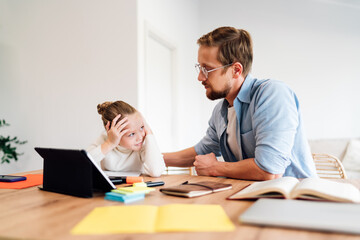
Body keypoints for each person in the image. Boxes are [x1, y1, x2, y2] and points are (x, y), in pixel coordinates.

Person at [163, 26, 317, 180]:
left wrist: (215, 167)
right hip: (250, 194)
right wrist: (149, 158)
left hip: (294, 197)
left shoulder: (272, 94)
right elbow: (202, 150)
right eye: (200, 68)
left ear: (236, 70)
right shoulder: (221, 110)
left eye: (207, 69)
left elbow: (270, 171)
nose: (200, 77)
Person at [87, 100, 165, 177]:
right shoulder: (105, 140)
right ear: (112, 133)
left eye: (141, 128)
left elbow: (156, 171)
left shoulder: (142, 144)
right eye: (132, 134)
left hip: (137, 187)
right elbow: (83, 163)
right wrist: (110, 143)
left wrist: (149, 132)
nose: (140, 137)